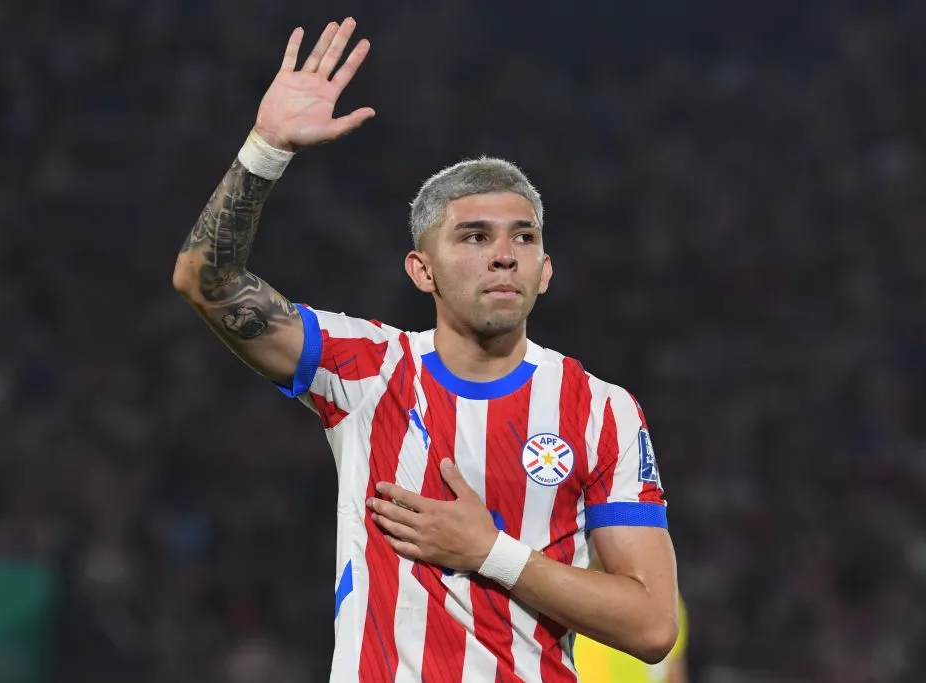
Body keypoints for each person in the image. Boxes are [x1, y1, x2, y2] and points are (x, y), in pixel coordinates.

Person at [172, 17, 679, 682]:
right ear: (422, 270)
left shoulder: (600, 410)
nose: (503, 254)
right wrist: (266, 148)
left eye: (523, 238)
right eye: (473, 236)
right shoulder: (367, 368)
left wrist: (488, 551)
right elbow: (206, 282)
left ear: (546, 269)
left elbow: (652, 626)